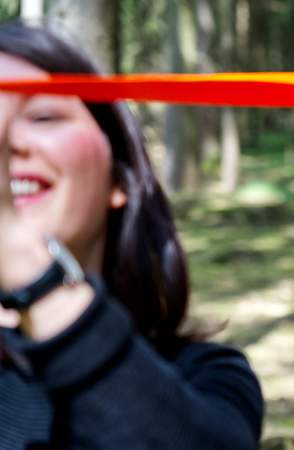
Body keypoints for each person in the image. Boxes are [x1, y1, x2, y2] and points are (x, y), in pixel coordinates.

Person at [0, 23, 263, 449]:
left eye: (42, 116)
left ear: (118, 179)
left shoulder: (205, 379)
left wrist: (30, 269)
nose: (5, 141)